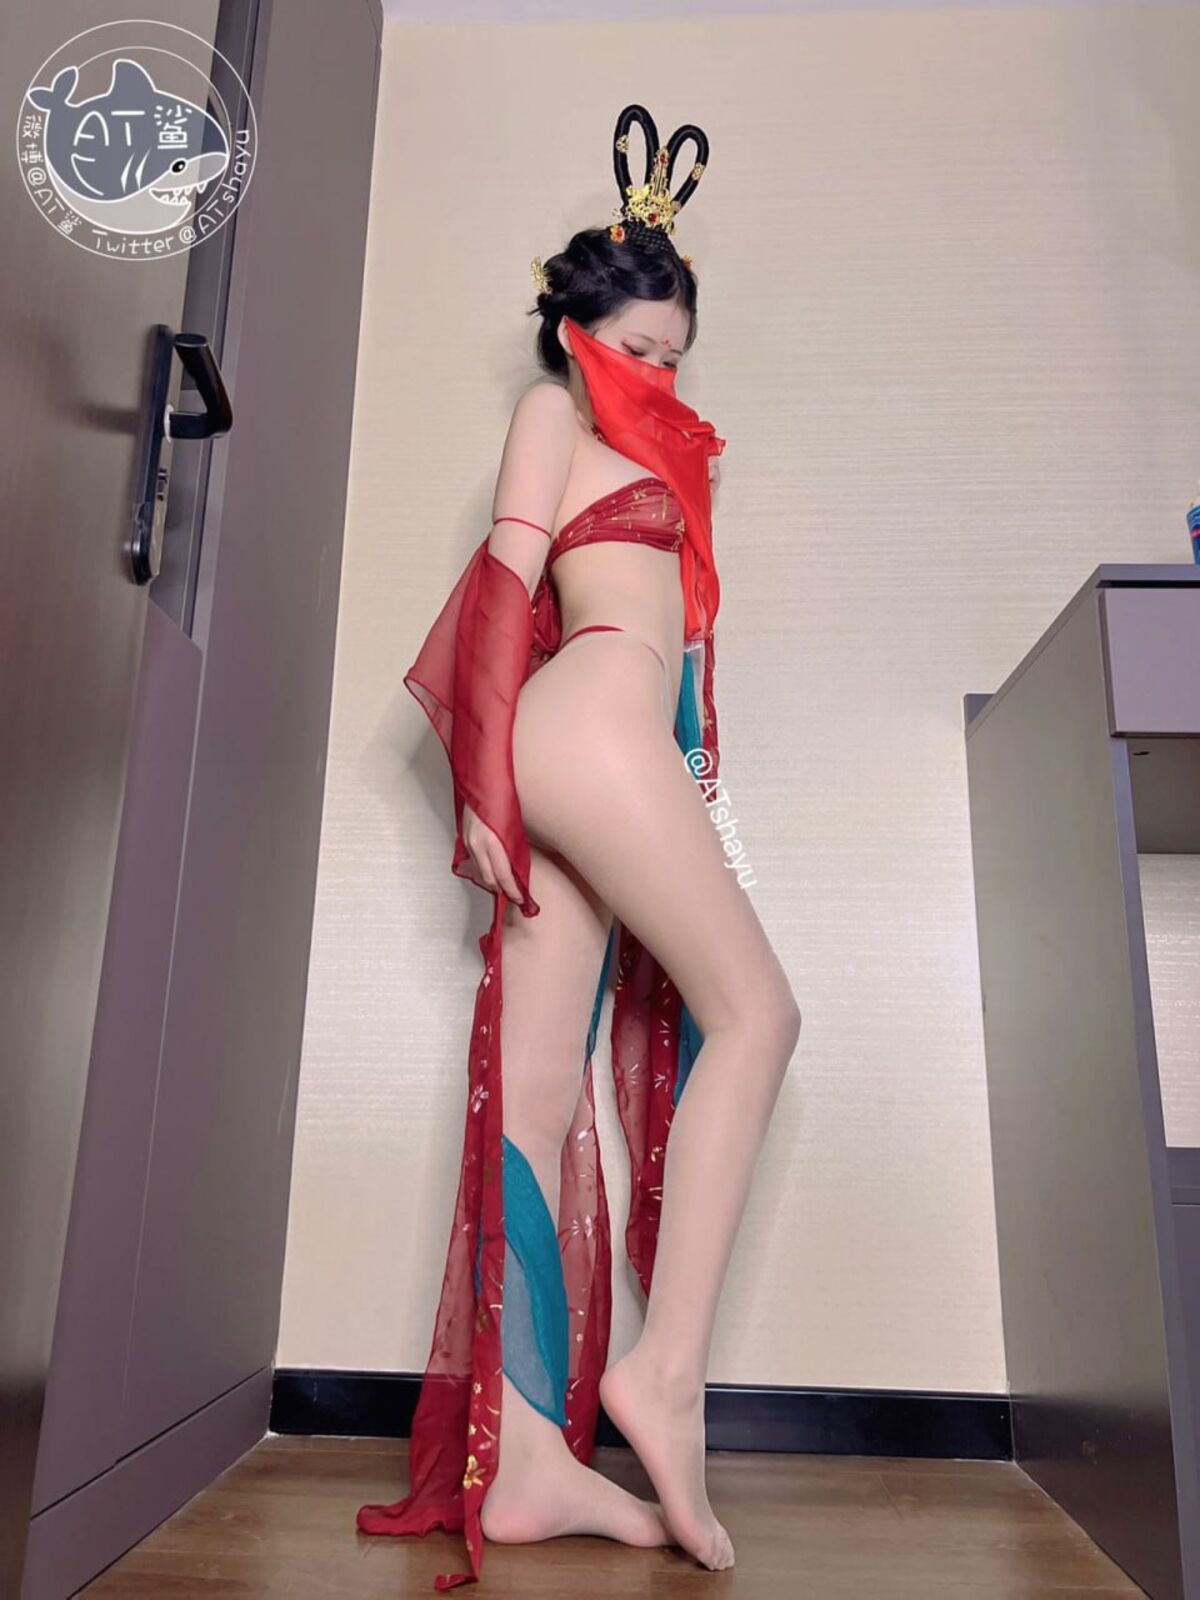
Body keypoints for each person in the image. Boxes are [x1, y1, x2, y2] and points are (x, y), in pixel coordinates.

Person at [356, 103, 801, 1591]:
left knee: (539, 1098)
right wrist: (484, 787)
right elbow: (501, 590)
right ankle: (664, 1376)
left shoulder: (656, 449)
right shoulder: (555, 415)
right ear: (572, 334)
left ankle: (533, 1454)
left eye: (674, 356)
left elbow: (678, 664)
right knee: (760, 1017)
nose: (655, 374)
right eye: (634, 348)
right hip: (578, 728)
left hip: (607, 743)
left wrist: (677, 789)